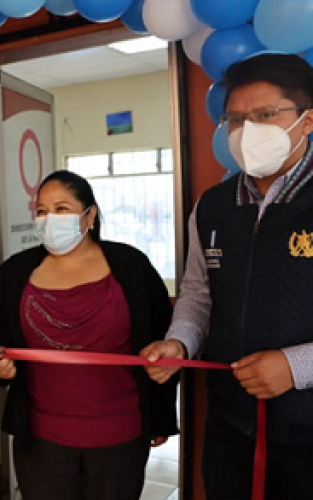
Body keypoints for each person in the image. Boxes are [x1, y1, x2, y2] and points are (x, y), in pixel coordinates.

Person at [141, 54, 313, 498]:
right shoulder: (213, 206)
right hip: (230, 424)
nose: (248, 130)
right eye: (236, 119)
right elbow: (198, 294)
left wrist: (296, 367)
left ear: (307, 120)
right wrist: (179, 342)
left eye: (266, 115)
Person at [0, 170, 179, 500]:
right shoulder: (16, 271)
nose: (49, 220)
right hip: (41, 439)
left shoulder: (131, 266)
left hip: (120, 436)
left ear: (90, 215)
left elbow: (164, 340)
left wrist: (162, 417)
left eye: (62, 209)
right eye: (41, 211)